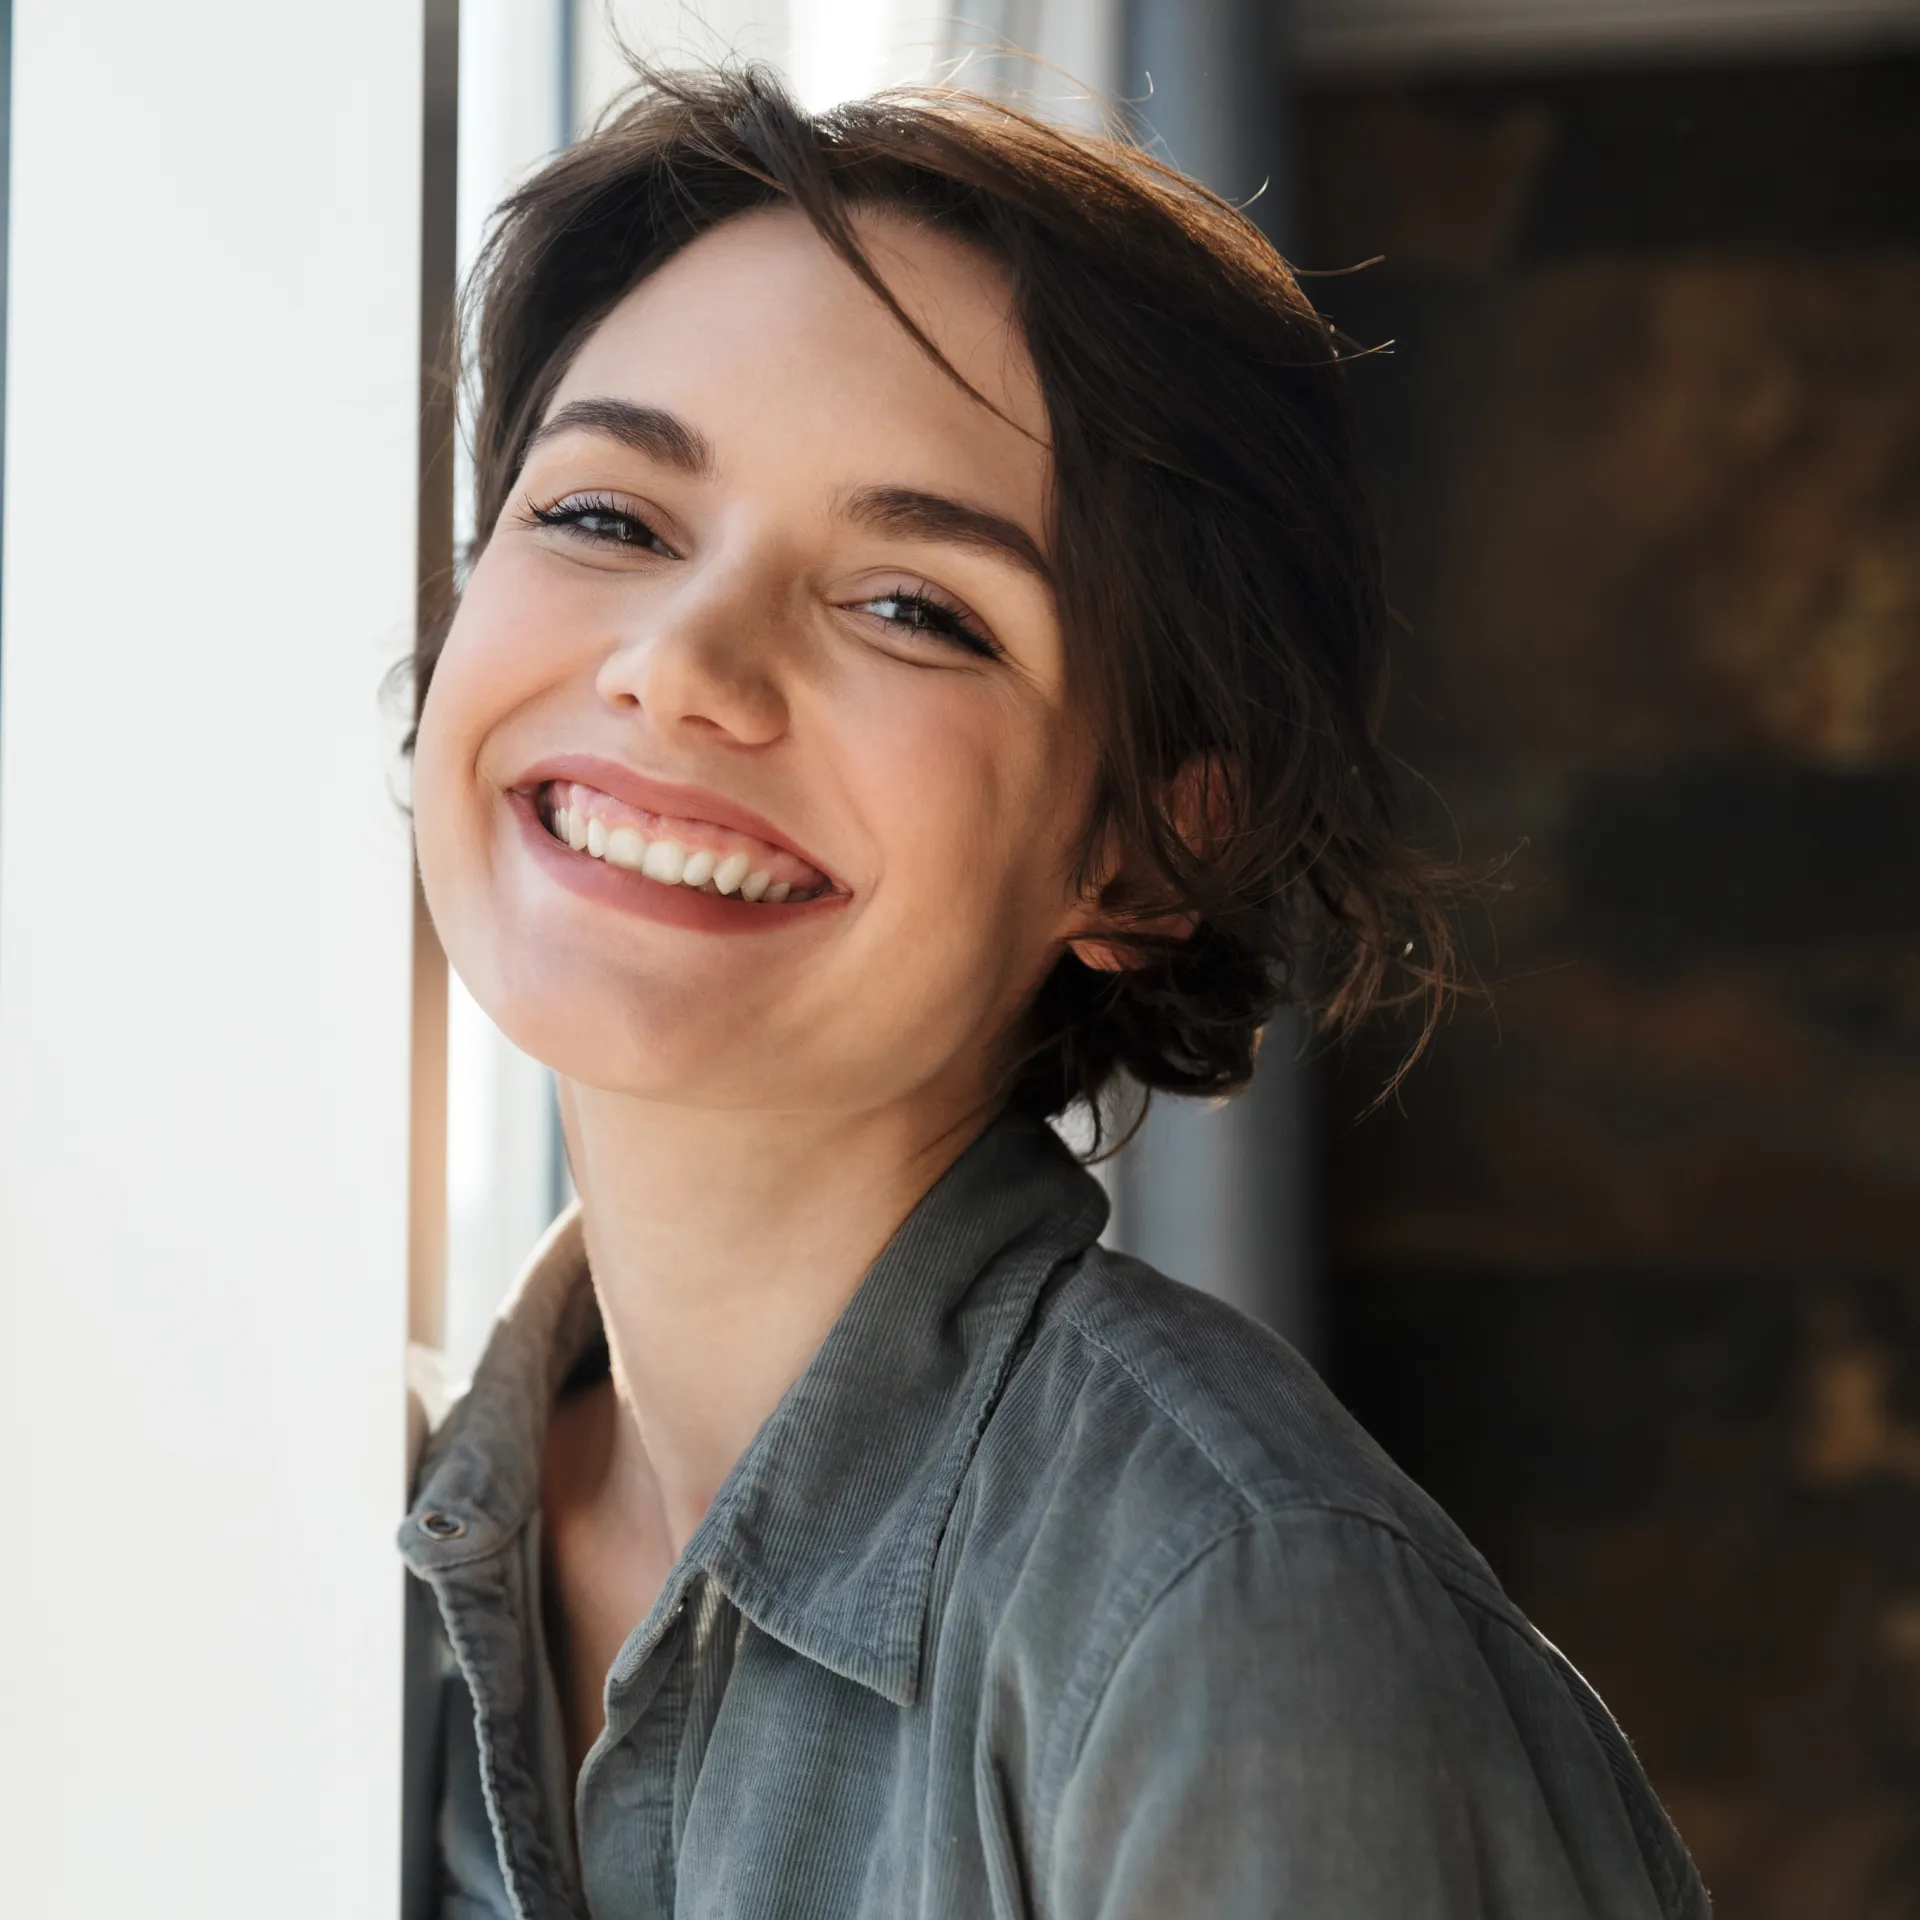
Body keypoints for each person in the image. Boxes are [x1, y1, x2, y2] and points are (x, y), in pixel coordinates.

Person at [398, 63, 1709, 1919]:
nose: (682, 666)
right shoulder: (354, 1545)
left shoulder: (1235, 1619)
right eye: (607, 517)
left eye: (916, 608)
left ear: (1143, 848)